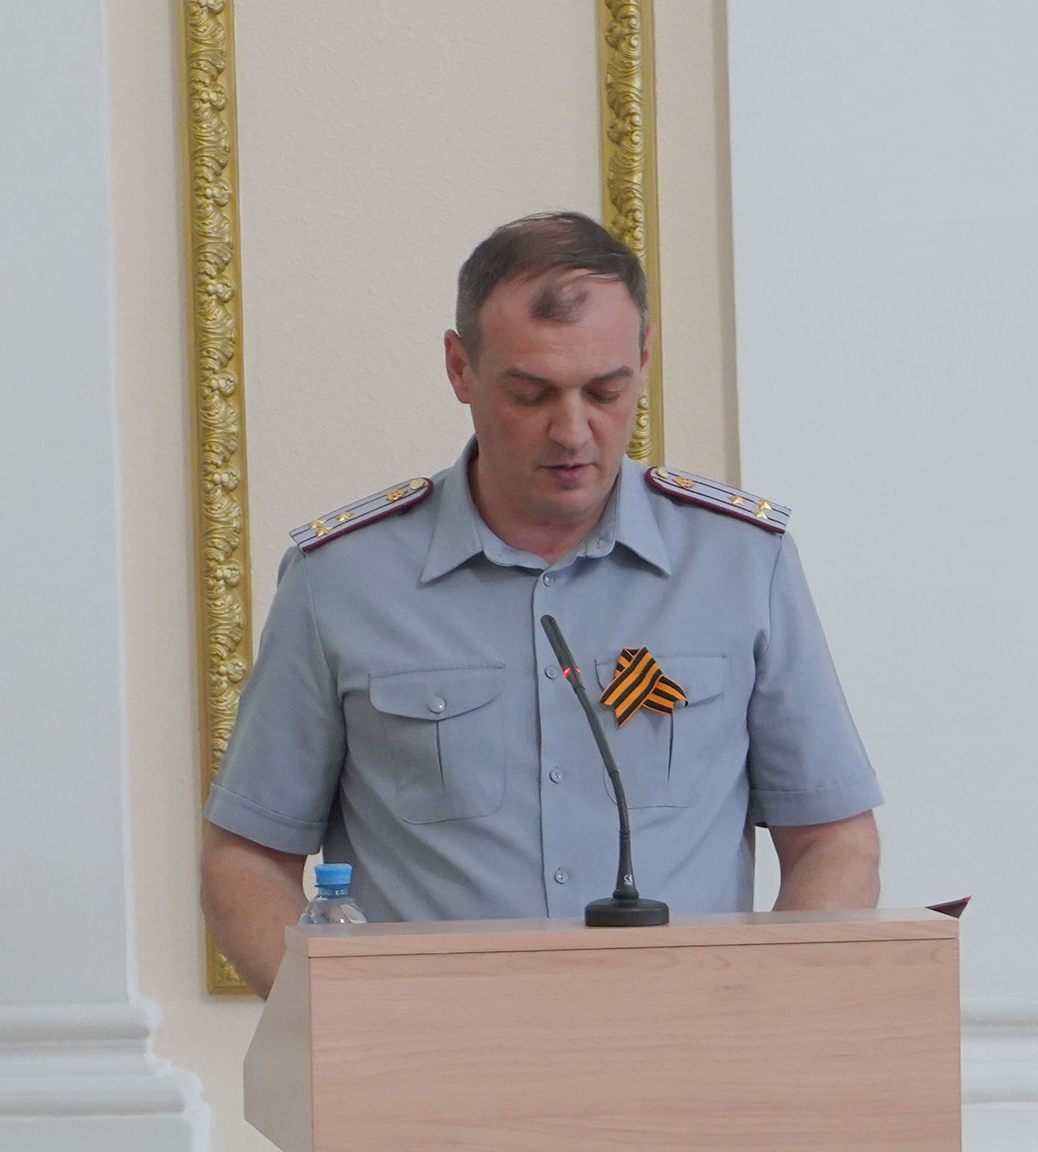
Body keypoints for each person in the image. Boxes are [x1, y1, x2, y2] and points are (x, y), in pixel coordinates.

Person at [201, 211, 882, 996]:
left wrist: (775, 1013)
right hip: (432, 1054)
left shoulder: (740, 563)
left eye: (606, 391)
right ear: (460, 369)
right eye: (530, 394)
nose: (572, 432)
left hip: (684, 1047)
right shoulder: (341, 580)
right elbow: (245, 858)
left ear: (645, 358)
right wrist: (340, 1029)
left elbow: (834, 840)